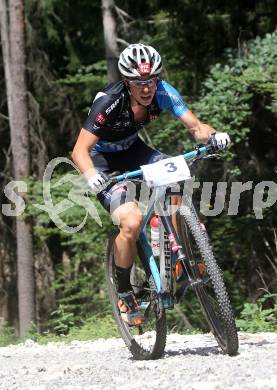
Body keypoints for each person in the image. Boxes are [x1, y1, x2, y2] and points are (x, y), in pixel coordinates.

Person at [72, 43, 230, 326]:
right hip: (102, 160)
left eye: (152, 80)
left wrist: (215, 135)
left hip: (134, 150)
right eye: (139, 82)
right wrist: (90, 175)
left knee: (178, 175)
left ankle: (176, 237)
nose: (147, 88)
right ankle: (124, 291)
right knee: (131, 222)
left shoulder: (164, 92)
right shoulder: (108, 102)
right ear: (126, 82)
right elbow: (79, 150)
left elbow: (196, 128)